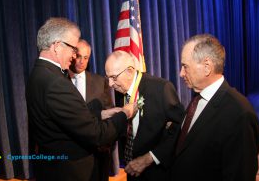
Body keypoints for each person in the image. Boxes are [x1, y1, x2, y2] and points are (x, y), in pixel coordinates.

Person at [25, 17, 137, 181]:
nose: (74, 55)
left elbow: (66, 118)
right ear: (56, 46)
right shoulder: (57, 83)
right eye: (73, 48)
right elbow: (97, 135)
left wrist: (101, 114)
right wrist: (125, 113)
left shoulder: (38, 74)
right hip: (69, 171)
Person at [171, 34, 259, 181]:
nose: (181, 73)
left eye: (185, 66)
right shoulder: (197, 99)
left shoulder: (239, 114)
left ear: (207, 67)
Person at [105, 51, 184, 181]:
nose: (110, 84)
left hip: (157, 172)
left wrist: (150, 158)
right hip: (131, 169)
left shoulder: (161, 88)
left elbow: (180, 128)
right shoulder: (120, 90)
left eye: (113, 77)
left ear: (130, 71)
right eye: (108, 77)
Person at [69, 39, 118, 181]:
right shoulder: (60, 82)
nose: (81, 61)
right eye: (78, 56)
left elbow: (110, 113)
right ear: (72, 55)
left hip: (97, 154)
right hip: (71, 156)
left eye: (86, 57)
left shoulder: (100, 81)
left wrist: (106, 143)